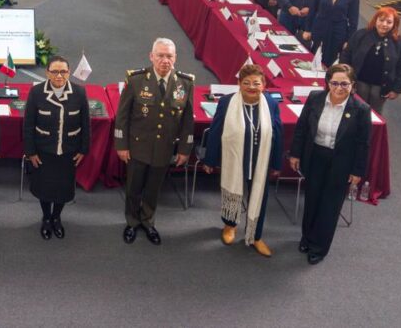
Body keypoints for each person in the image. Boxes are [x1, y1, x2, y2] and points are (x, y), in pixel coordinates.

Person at [114, 38, 195, 245]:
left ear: (175, 58)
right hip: (138, 147)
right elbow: (122, 117)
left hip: (164, 148)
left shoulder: (185, 83)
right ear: (151, 56)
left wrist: (184, 149)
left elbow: (187, 121)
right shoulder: (136, 80)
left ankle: (148, 221)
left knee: (153, 189)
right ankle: (132, 222)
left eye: (169, 56)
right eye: (160, 55)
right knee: (133, 188)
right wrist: (122, 145)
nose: (164, 60)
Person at [290, 63, 371, 265]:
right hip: (315, 156)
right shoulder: (315, 98)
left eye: (345, 84)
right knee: (312, 200)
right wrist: (295, 154)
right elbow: (301, 128)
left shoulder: (361, 110)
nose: (339, 88)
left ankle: (319, 247)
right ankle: (306, 238)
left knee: (330, 206)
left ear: (353, 85)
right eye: (335, 83)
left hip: (341, 163)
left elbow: (363, 144)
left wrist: (357, 170)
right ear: (327, 83)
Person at [202, 64, 284, 256]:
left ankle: (256, 236)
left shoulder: (271, 104)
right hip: (236, 160)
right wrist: (210, 159)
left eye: (256, 83)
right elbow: (216, 131)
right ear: (239, 84)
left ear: (264, 85)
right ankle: (229, 226)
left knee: (260, 199)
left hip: (260, 163)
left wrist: (276, 163)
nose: (251, 87)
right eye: (246, 83)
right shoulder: (227, 102)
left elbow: (278, 133)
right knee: (233, 192)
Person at [23, 55, 90, 240]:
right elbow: (28, 125)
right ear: (47, 73)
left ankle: (56, 217)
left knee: (63, 189)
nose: (59, 76)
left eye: (63, 72)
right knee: (44, 189)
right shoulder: (36, 92)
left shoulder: (79, 93)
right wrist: (31, 152)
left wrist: (83, 149)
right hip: (44, 151)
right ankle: (46, 218)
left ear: (69, 72)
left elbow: (86, 124)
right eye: (54, 72)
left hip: (68, 152)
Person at [339, 7, 401, 114]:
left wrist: (396, 89)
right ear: (375, 20)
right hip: (358, 83)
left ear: (394, 24)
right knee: (354, 111)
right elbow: (346, 55)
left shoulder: (400, 42)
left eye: (389, 22)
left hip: (381, 88)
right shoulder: (360, 34)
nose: (384, 24)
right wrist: (346, 80)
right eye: (381, 20)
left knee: (374, 114)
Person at [304, 0, 360, 67]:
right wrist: (307, 29)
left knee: (330, 62)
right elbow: (313, 10)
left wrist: (348, 41)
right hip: (319, 29)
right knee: (313, 57)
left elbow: (353, 21)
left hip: (338, 33)